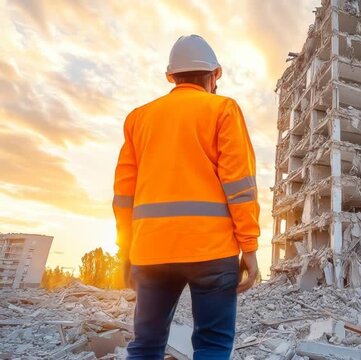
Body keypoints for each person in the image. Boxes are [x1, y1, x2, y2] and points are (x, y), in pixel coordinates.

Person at [112, 34, 260, 360]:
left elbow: (123, 195)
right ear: (213, 75)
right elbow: (240, 188)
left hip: (151, 251)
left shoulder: (138, 118)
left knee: (146, 345)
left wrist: (127, 251)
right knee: (212, 346)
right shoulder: (223, 109)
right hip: (212, 251)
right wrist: (249, 247)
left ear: (172, 76)